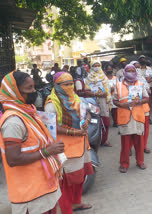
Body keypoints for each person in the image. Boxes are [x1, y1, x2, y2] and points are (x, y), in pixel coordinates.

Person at [0, 71, 64, 214]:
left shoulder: (29, 112)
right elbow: (13, 159)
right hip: (31, 195)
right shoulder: (13, 122)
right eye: (29, 89)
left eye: (34, 87)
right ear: (14, 92)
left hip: (42, 187)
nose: (34, 92)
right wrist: (48, 151)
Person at [45, 72, 93, 213]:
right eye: (65, 84)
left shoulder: (76, 97)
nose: (70, 86)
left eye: (71, 83)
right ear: (56, 85)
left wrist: (87, 121)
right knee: (66, 181)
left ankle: (76, 202)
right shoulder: (51, 104)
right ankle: (67, 209)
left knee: (81, 176)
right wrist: (73, 132)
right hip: (65, 148)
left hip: (82, 144)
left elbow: (87, 112)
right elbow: (51, 126)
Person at [113, 64, 149, 173]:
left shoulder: (140, 84)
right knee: (125, 144)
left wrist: (139, 101)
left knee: (139, 142)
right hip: (125, 118)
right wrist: (122, 105)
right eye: (128, 70)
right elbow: (114, 100)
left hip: (138, 116)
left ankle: (140, 161)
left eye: (133, 70)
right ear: (124, 72)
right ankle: (124, 164)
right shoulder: (118, 85)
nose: (131, 72)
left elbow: (147, 98)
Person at [84, 62, 112, 147]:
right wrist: (98, 94)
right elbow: (86, 91)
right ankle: (94, 139)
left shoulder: (104, 77)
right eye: (94, 66)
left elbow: (109, 88)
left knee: (105, 121)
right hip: (93, 101)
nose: (96, 67)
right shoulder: (88, 78)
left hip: (104, 102)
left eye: (98, 65)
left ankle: (104, 140)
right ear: (91, 67)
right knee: (94, 120)